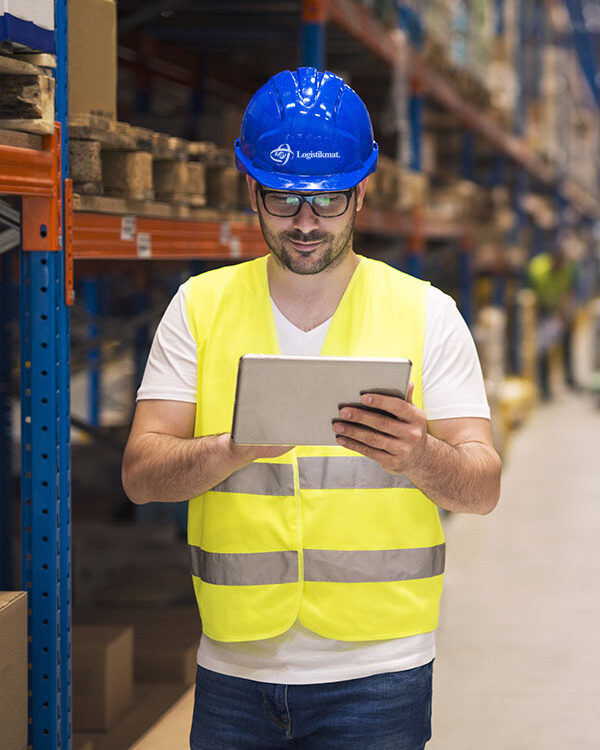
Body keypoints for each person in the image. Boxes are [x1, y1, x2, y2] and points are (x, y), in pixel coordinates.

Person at [122, 68, 501, 750]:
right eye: (282, 199)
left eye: (326, 202)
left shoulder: (425, 314)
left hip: (379, 674)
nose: (303, 224)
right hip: (235, 670)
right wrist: (230, 447)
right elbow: (142, 477)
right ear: (251, 189)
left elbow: (482, 487)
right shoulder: (199, 308)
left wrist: (419, 454)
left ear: (361, 191)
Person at [527, 237, 578, 400]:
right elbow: (528, 295)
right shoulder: (537, 269)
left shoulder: (568, 270)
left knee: (568, 339)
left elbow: (569, 294)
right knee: (543, 348)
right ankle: (544, 387)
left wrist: (564, 317)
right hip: (541, 309)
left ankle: (570, 378)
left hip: (557, 310)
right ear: (551, 260)